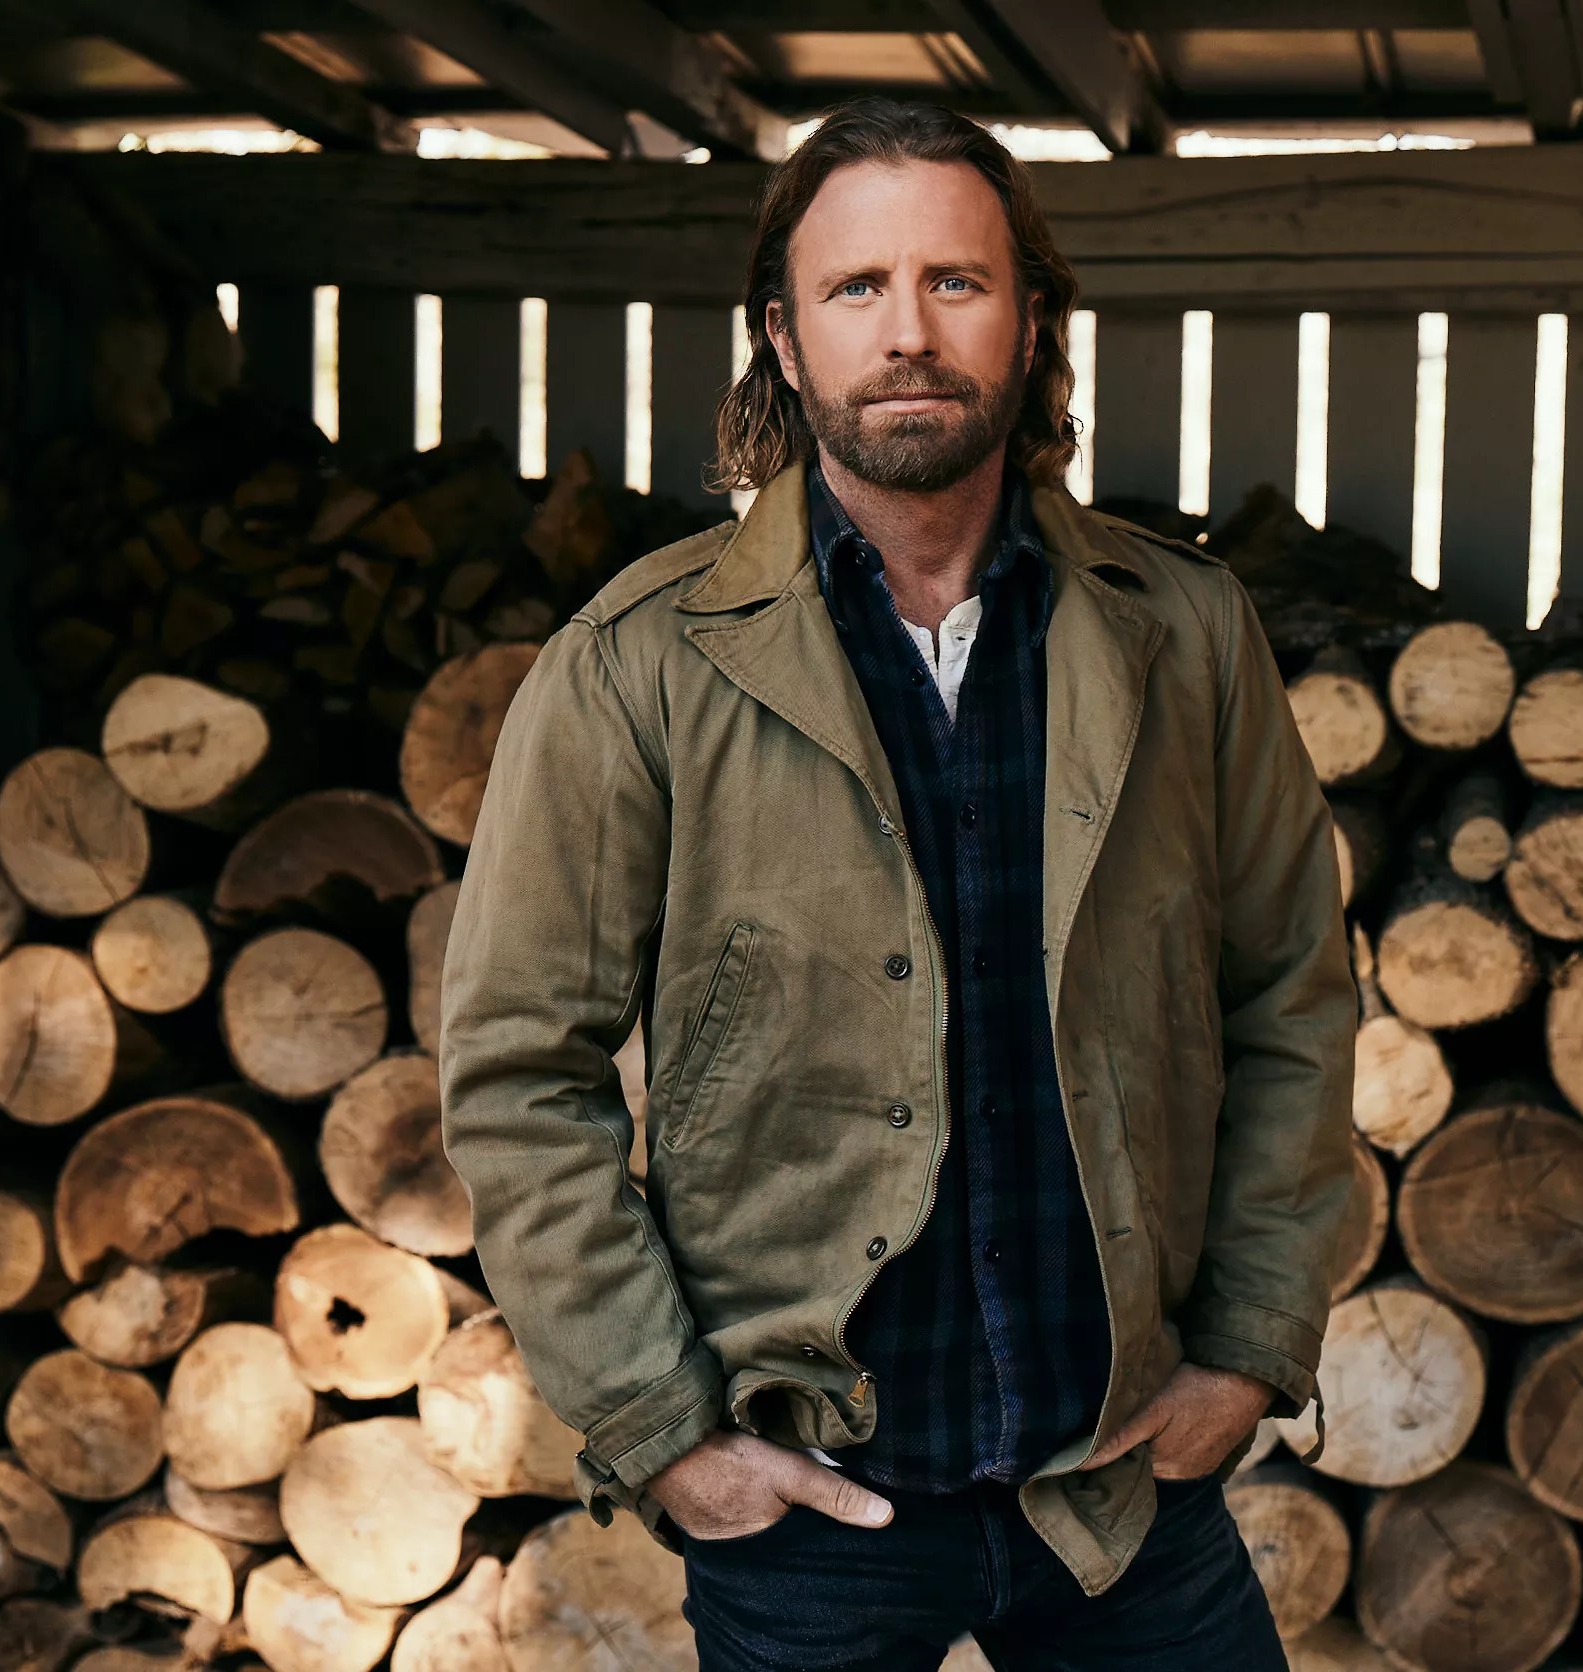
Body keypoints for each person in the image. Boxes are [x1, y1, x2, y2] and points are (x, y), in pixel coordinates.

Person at [438, 95, 1359, 1671]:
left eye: (957, 281)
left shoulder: (1183, 632)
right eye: (857, 289)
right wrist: (665, 1431)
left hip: (1121, 1489)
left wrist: (1250, 1353)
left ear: (1032, 319)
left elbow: (1290, 996)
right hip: (811, 1508)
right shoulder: (639, 663)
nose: (910, 332)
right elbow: (522, 1068)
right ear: (786, 345)